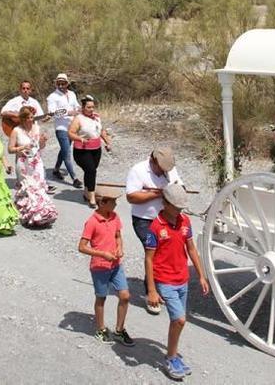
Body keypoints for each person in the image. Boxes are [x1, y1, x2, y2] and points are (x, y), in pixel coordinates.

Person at [144, 183, 209, 380]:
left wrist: (201, 275)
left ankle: (172, 354)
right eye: (177, 206)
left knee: (177, 321)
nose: (180, 210)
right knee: (180, 319)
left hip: (183, 279)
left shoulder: (185, 222)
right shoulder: (156, 227)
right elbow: (148, 259)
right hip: (165, 281)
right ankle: (171, 357)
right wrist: (152, 290)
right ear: (165, 203)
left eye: (182, 207)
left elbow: (191, 249)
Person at [126, 147, 184, 315]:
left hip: (166, 219)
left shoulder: (170, 171)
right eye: (161, 169)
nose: (164, 172)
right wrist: (157, 194)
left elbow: (179, 186)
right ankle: (151, 292)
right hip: (144, 220)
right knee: (154, 253)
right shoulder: (138, 170)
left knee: (164, 254)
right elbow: (131, 197)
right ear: (152, 161)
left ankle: (161, 288)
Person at [77, 185, 135, 346]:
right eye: (113, 201)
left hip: (116, 265)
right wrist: (102, 254)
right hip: (100, 267)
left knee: (125, 296)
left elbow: (118, 236)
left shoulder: (114, 217)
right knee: (101, 298)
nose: (116, 204)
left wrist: (120, 247)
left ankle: (119, 329)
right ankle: (101, 328)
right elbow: (81, 246)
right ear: (102, 203)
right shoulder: (92, 222)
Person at [8, 106, 57, 227]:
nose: (31, 120)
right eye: (28, 118)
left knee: (38, 187)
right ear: (23, 119)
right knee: (27, 189)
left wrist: (43, 141)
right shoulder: (16, 131)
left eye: (32, 117)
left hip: (36, 162)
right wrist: (22, 148)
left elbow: (40, 147)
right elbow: (10, 149)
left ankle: (41, 215)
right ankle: (28, 215)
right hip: (23, 163)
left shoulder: (37, 128)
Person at [69, 95, 112, 208]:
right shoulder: (78, 118)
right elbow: (71, 133)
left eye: (93, 107)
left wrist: (107, 142)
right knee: (91, 170)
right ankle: (92, 198)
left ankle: (86, 192)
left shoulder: (97, 117)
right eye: (88, 107)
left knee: (90, 171)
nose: (91, 109)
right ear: (83, 107)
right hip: (82, 151)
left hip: (96, 149)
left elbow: (101, 130)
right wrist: (80, 138)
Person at [47, 73, 82, 188]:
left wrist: (79, 109)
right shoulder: (52, 97)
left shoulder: (71, 94)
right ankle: (75, 178)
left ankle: (56, 169)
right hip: (61, 128)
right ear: (56, 84)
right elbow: (52, 112)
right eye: (59, 83)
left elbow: (76, 105)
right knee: (67, 152)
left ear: (67, 84)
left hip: (72, 127)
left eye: (63, 83)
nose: (61, 86)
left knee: (64, 150)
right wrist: (68, 112)